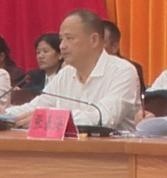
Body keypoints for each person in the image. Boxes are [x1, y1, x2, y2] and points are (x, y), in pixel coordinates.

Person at [8, 9, 141, 132]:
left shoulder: (122, 71)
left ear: (94, 40)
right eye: (61, 39)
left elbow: (105, 118)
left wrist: (51, 119)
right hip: (67, 147)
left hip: (112, 148)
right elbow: (38, 106)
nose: (62, 46)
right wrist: (4, 115)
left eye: (69, 38)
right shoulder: (66, 73)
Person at [100, 19, 148, 90]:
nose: (93, 46)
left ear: (114, 47)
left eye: (100, 42)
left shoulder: (129, 70)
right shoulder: (85, 68)